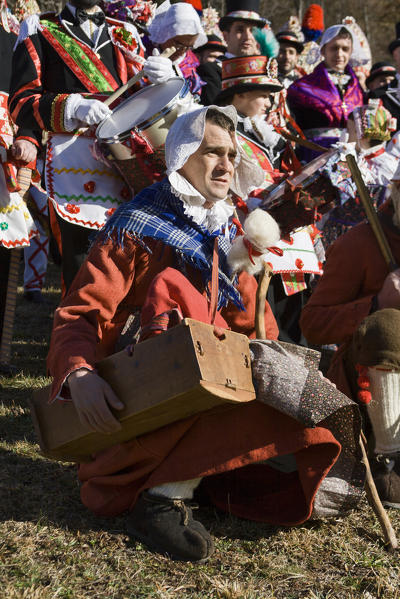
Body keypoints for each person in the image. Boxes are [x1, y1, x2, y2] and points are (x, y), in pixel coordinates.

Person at [47, 106, 364, 562]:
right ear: (181, 155)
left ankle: (201, 476)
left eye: (231, 155)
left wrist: (277, 363)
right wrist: (79, 374)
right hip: (140, 393)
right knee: (176, 294)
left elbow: (253, 326)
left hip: (209, 381)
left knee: (288, 403)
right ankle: (161, 498)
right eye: (212, 152)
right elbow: (79, 313)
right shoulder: (136, 226)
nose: (226, 165)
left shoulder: (223, 227)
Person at [9, 0, 174, 292]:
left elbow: (147, 107)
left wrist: (165, 81)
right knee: (83, 271)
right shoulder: (40, 28)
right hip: (73, 165)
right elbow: (21, 103)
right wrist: (71, 106)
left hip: (126, 165)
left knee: (127, 265)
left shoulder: (128, 34)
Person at [300, 165, 400, 508]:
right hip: (370, 384)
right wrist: (376, 302)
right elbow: (312, 324)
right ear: (396, 191)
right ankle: (391, 460)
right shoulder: (358, 243)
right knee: (388, 324)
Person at [216, 56, 322, 346]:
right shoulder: (220, 128)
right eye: (263, 95)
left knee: (293, 308)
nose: (268, 102)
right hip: (248, 230)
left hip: (282, 232)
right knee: (265, 309)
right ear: (240, 94)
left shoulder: (268, 135)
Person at [0, 0, 41, 373]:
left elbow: (25, 92)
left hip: (5, 141)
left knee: (3, 250)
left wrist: (27, 135)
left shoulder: (19, 27)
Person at [287, 24, 364, 161]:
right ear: (323, 51)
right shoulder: (302, 87)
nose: (339, 54)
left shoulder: (358, 90)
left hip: (351, 156)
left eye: (345, 49)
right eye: (334, 48)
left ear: (351, 51)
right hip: (315, 155)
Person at [198, 0, 264, 105]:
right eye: (240, 30)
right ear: (225, 36)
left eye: (252, 30)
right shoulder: (211, 71)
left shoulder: (264, 72)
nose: (248, 37)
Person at [145, 0, 207, 98]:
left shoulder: (188, 62)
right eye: (178, 44)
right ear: (165, 34)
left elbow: (193, 98)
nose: (182, 51)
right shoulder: (144, 50)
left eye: (188, 47)